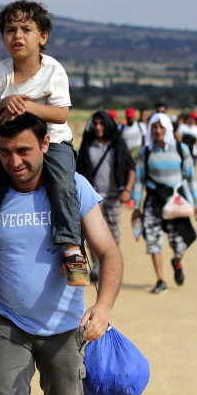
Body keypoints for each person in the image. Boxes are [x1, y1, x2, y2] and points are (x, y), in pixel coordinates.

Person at [0, 112, 123, 395]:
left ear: (45, 143)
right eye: (4, 152)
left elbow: (108, 253)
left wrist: (103, 306)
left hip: (66, 328)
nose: (14, 162)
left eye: (23, 150)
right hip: (6, 323)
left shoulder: (74, 188)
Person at [0, 0, 90, 288]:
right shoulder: (2, 72)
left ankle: (71, 249)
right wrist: (5, 103)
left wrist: (29, 106)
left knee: (62, 183)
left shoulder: (53, 71)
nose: (17, 36)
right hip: (14, 147)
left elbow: (61, 114)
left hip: (54, 142)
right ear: (2, 37)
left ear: (42, 37)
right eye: (10, 30)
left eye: (26, 29)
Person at [132, 113, 197, 294]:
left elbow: (191, 178)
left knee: (180, 242)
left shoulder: (181, 149)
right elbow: (139, 181)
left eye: (160, 127)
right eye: (154, 127)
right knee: (153, 242)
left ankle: (177, 262)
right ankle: (160, 280)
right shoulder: (145, 152)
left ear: (167, 128)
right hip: (153, 203)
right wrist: (136, 207)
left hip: (175, 202)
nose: (157, 131)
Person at [77, 111, 136, 281]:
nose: (97, 127)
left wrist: (128, 190)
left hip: (114, 196)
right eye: (95, 124)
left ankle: (110, 263)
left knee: (114, 233)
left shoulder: (117, 144)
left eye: (101, 124)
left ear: (108, 125)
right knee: (91, 233)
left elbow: (131, 168)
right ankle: (96, 266)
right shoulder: (88, 145)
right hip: (92, 197)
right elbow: (80, 170)